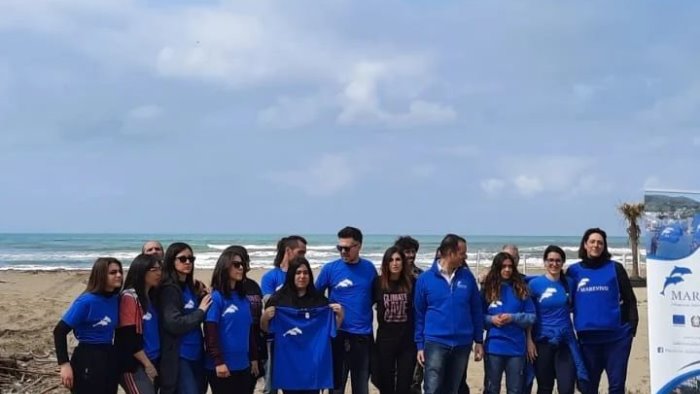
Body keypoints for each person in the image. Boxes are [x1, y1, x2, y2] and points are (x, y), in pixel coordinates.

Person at [566, 228, 638, 394]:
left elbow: (630, 299)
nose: (596, 245)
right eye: (592, 241)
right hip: (587, 340)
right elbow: (565, 301)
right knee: (587, 387)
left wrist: (631, 329)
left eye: (600, 242)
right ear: (585, 244)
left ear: (604, 246)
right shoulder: (573, 271)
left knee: (616, 387)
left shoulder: (616, 268)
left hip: (617, 340)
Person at [262, 256, 344, 394]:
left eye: (305, 273)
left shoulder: (319, 300)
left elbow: (332, 329)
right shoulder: (278, 299)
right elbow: (267, 329)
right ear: (291, 275)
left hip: (313, 364)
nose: (302, 276)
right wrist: (264, 317)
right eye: (298, 273)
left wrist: (340, 315)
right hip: (288, 363)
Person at [414, 234, 484, 394]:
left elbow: (476, 309)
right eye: (462, 253)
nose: (465, 257)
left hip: (462, 344)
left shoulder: (467, 277)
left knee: (453, 389)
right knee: (432, 388)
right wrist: (419, 345)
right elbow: (419, 314)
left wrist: (479, 340)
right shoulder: (425, 279)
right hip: (435, 343)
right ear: (450, 252)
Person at [316, 226, 377, 394]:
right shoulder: (329, 269)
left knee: (361, 387)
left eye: (347, 248)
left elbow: (373, 297)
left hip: (363, 336)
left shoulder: (369, 268)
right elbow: (315, 297)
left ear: (358, 246)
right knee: (336, 387)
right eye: (339, 247)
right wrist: (328, 309)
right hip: (338, 334)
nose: (343, 251)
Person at [53, 257, 123, 394]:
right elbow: (59, 331)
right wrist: (64, 365)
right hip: (87, 357)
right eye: (113, 272)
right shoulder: (87, 301)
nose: (119, 275)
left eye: (120, 271)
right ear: (101, 275)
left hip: (109, 355)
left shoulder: (116, 299)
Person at [527, 245, 587, 394]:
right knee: (545, 387)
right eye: (550, 260)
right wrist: (529, 340)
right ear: (545, 262)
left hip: (565, 341)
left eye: (558, 260)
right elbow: (528, 313)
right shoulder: (534, 284)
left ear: (563, 262)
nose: (554, 264)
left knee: (566, 388)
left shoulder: (570, 283)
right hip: (542, 342)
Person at [158, 242, 213, 394]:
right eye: (182, 259)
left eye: (191, 259)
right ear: (171, 261)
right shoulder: (169, 289)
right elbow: (173, 323)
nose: (188, 262)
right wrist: (201, 311)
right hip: (180, 355)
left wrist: (205, 297)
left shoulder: (190, 287)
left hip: (197, 353)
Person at [204, 246, 258, 394]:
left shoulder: (244, 299)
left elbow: (249, 332)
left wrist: (253, 358)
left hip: (243, 365)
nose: (241, 268)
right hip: (222, 365)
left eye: (242, 265)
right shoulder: (216, 297)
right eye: (236, 265)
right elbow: (210, 332)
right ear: (225, 267)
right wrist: (218, 361)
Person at [481, 252, 536, 394]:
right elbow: (477, 317)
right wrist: (491, 319)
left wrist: (513, 318)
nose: (507, 270)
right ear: (497, 267)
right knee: (492, 389)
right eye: (503, 266)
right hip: (494, 348)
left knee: (515, 390)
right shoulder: (487, 288)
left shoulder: (521, 288)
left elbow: (531, 317)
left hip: (516, 349)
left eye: (510, 266)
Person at [261, 236, 308, 394]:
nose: (303, 256)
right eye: (300, 252)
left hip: (298, 339)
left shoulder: (304, 276)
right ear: (288, 251)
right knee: (271, 385)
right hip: (275, 338)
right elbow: (268, 303)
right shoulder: (271, 277)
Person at [373, 246, 417, 394]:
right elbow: (364, 305)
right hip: (385, 342)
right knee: (385, 385)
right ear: (386, 263)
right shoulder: (378, 283)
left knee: (404, 386)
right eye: (391, 260)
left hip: (407, 342)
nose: (395, 263)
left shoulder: (412, 283)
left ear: (403, 262)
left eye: (398, 259)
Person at [116, 254, 163, 394]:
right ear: (141, 270)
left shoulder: (151, 297)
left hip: (154, 359)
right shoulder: (130, 297)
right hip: (135, 365)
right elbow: (128, 337)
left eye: (160, 269)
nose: (159, 273)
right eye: (154, 269)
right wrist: (147, 365)